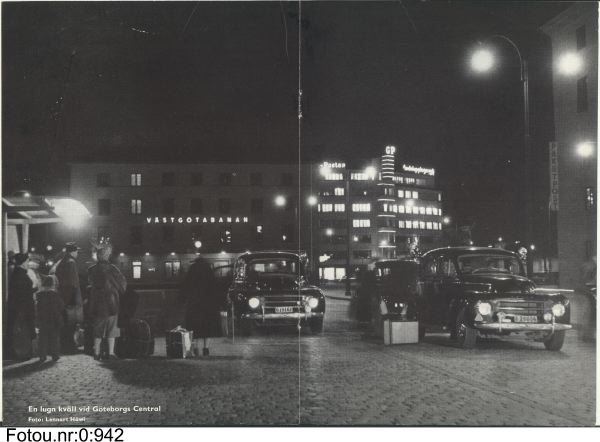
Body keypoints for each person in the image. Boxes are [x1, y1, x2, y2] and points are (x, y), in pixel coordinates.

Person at [87, 244, 127, 360]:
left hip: (97, 302)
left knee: (98, 329)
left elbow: (90, 284)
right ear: (107, 255)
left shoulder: (91, 270)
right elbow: (122, 285)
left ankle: (97, 353)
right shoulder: (113, 269)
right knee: (112, 329)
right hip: (111, 302)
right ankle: (110, 353)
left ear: (98, 256)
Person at [181, 257, 222, 357]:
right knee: (207, 328)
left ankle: (195, 349)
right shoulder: (208, 269)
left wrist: (183, 299)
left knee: (194, 327)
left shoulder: (192, 269)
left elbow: (186, 286)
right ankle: (206, 349)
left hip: (194, 304)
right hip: (208, 304)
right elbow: (214, 287)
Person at [53, 242, 83, 352]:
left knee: (64, 323)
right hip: (70, 297)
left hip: (62, 296)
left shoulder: (61, 262)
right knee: (71, 323)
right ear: (72, 252)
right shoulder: (71, 262)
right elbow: (73, 283)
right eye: (77, 252)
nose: (77, 254)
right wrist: (75, 299)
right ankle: (69, 346)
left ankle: (64, 345)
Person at [7, 253, 36, 359]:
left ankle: (25, 351)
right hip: (23, 307)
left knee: (24, 329)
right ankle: (24, 352)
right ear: (23, 263)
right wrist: (35, 289)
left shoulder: (18, 273)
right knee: (24, 330)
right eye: (27, 261)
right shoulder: (20, 274)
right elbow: (22, 293)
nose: (28, 263)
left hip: (22, 307)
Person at [35, 275, 64, 363]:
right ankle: (55, 355)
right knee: (54, 338)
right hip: (53, 318)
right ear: (52, 284)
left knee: (43, 338)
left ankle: (42, 356)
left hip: (43, 319)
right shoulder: (55, 294)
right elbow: (61, 306)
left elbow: (37, 308)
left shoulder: (39, 294)